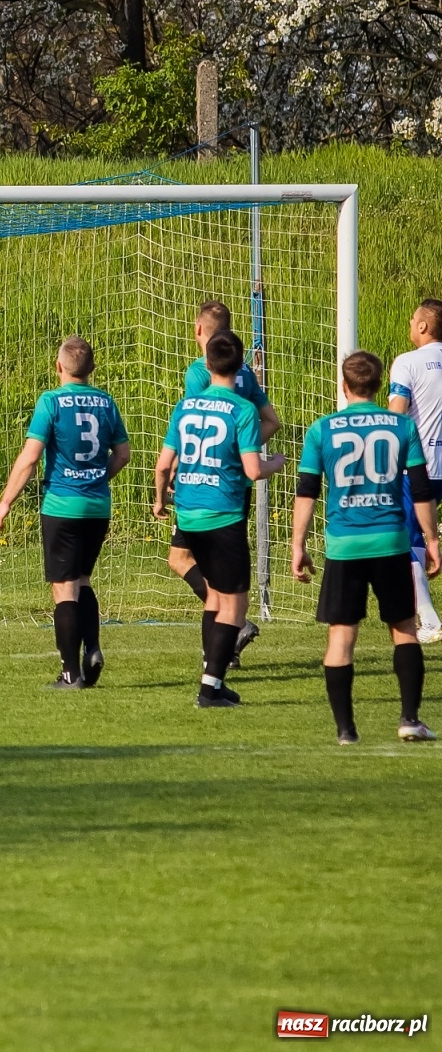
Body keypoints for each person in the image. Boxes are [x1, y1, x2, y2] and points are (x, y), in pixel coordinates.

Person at [292, 351, 439, 744]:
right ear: (377, 386)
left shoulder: (321, 429)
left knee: (342, 635)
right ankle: (409, 719)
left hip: (344, 546)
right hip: (390, 542)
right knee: (404, 629)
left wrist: (297, 545)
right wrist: (432, 539)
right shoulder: (401, 427)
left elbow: (306, 492)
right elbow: (421, 490)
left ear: (344, 384)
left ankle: (345, 730)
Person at [154, 330, 287, 707]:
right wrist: (274, 463)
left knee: (213, 596)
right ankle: (209, 687)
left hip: (189, 514)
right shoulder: (243, 411)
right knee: (235, 605)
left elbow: (164, 465)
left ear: (207, 363)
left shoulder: (186, 405)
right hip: (223, 515)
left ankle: (213, 682)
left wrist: (160, 500)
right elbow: (252, 471)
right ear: (240, 365)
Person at [0, 336, 131, 688]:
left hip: (62, 506)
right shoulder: (106, 401)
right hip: (98, 506)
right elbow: (123, 454)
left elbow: (30, 457)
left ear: (58, 367)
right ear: (92, 369)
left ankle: (70, 673)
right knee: (83, 580)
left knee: (63, 589)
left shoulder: (50, 402)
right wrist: (97, 477)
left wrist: (6, 502)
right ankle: (93, 647)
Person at [168, 301, 280, 665]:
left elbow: (196, 425)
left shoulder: (200, 372)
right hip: (234, 487)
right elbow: (271, 421)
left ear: (199, 330)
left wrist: (177, 470)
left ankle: (229, 635)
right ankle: (224, 647)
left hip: (201, 484)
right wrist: (239, 449)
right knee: (211, 573)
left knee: (182, 559)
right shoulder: (245, 371)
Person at [386, 298, 442, 642]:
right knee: (421, 537)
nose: (409, 325)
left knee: (407, 538)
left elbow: (397, 413)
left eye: (411, 321)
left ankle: (430, 621)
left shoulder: (408, 362)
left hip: (417, 468)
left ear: (423, 326)